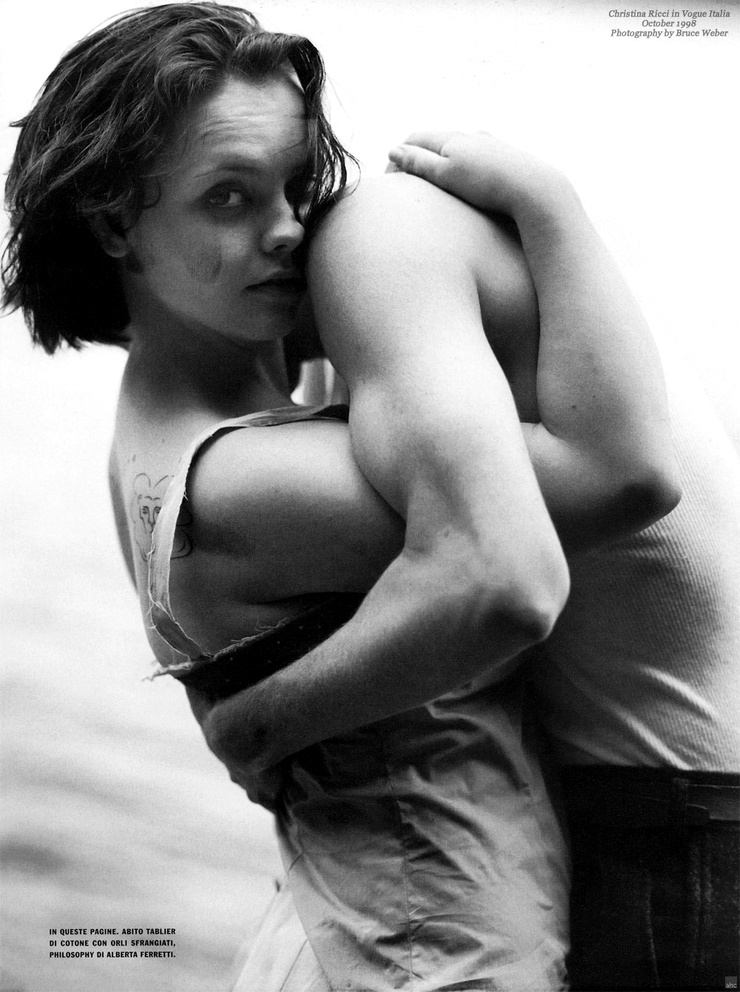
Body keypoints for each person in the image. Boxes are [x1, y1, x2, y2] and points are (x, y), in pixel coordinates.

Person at [2, 4, 681, 990]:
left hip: (354, 931)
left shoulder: (164, 417)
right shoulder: (249, 480)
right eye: (229, 197)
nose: (289, 229)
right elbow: (588, 502)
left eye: (298, 183)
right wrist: (550, 206)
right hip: (434, 959)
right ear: (113, 223)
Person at [206, 131, 740, 991]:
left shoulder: (370, 253)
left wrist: (255, 728)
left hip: (661, 829)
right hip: (680, 808)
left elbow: (569, 524)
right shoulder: (430, 311)